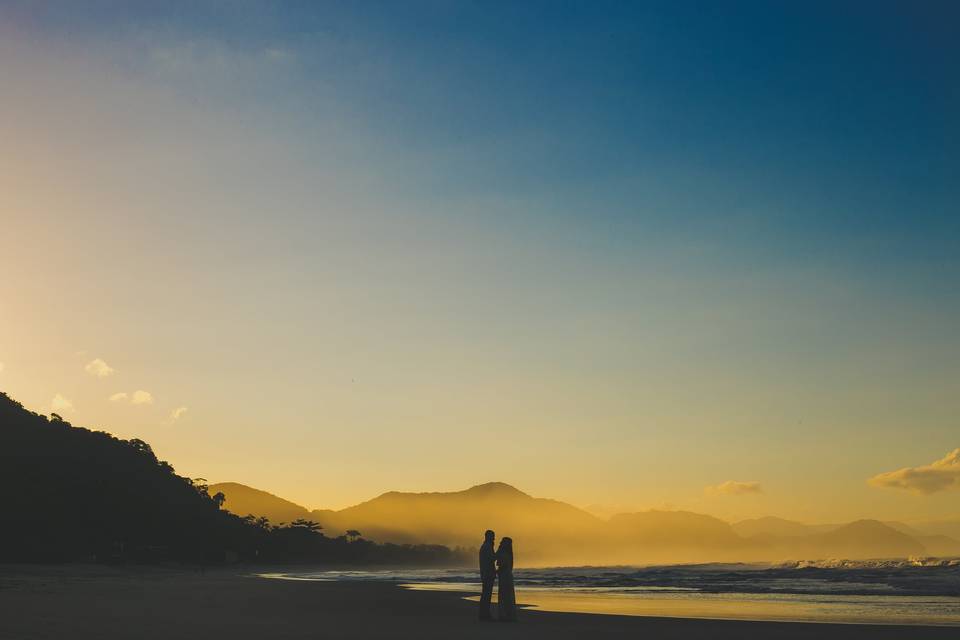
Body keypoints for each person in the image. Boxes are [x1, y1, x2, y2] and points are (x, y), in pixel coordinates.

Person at [495, 536, 517, 622]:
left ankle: (504, 615)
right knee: (508, 595)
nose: (500, 543)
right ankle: (509, 614)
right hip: (507, 575)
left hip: (504, 575)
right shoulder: (509, 553)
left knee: (504, 594)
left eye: (502, 541)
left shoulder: (503, 552)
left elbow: (500, 562)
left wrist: (497, 571)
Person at [478, 530, 497, 621]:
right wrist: (500, 553)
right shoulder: (487, 547)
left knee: (486, 594)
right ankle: (485, 615)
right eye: (492, 536)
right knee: (486, 595)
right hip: (488, 574)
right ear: (488, 537)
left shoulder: (485, 546)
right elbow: (492, 558)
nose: (494, 538)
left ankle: (484, 614)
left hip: (486, 573)